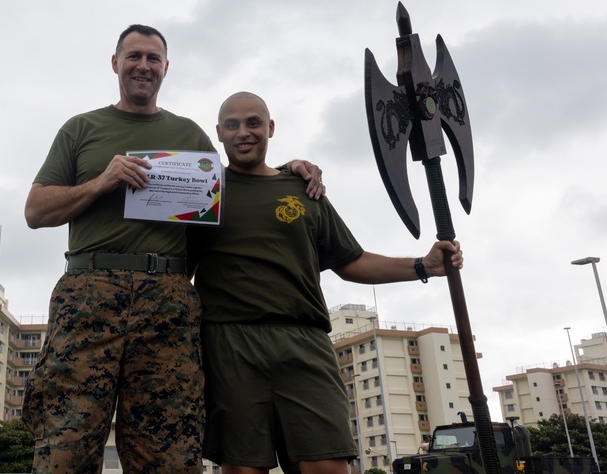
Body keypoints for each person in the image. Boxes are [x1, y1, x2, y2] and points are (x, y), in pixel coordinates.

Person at [22, 27, 322, 473]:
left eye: (153, 58)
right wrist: (102, 182)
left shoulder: (189, 134)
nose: (143, 66)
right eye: (134, 56)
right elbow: (35, 210)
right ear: (115, 63)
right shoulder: (81, 128)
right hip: (88, 292)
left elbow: (231, 189)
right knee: (66, 444)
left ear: (165, 68)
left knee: (168, 451)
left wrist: (287, 171)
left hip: (168, 297)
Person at [187, 91, 464, 474]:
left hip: (304, 340)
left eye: (253, 122)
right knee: (243, 469)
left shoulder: (304, 188)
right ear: (218, 133)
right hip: (229, 344)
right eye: (232, 125)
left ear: (270, 127)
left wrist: (423, 265)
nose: (243, 132)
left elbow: (351, 261)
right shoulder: (203, 191)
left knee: (328, 466)